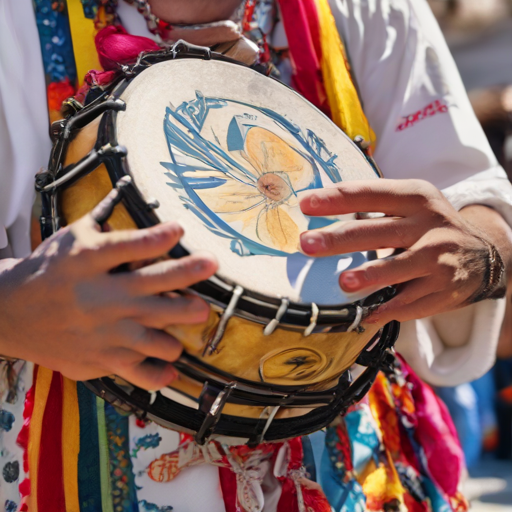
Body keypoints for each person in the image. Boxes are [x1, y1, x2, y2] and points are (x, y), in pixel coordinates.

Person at [1, 0, 512, 510]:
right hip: (76, 466)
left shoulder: (366, 9)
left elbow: (481, 210)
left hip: (355, 467)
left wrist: (482, 254)